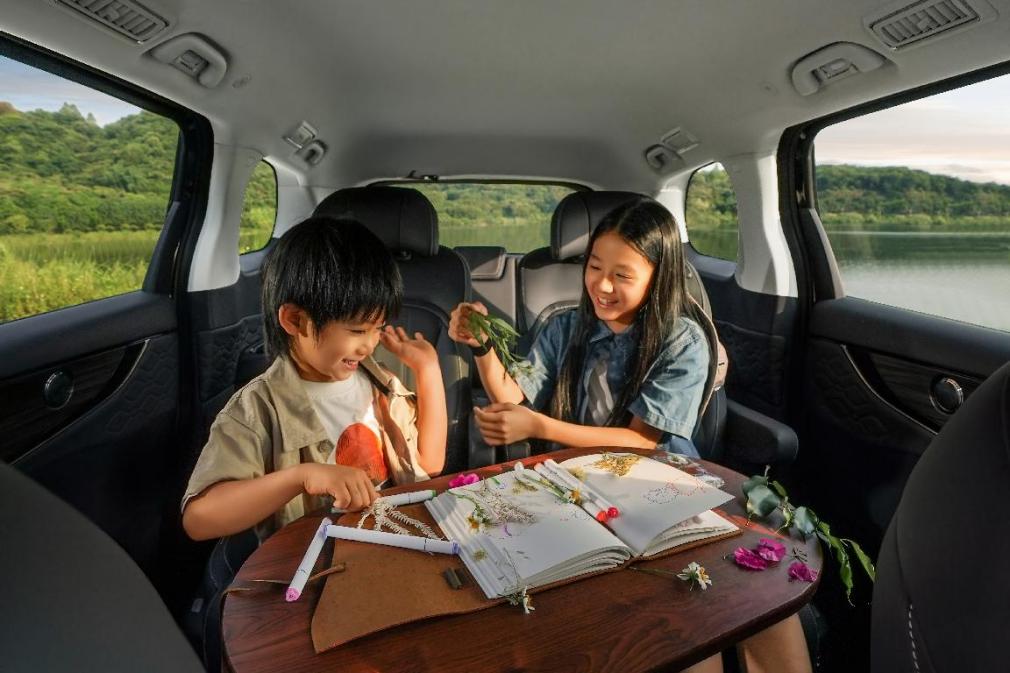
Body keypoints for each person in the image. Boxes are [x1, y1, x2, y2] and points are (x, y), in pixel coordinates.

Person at [449, 197, 810, 673]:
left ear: (659, 276)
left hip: (660, 483)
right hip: (577, 488)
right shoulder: (565, 326)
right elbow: (513, 394)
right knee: (672, 616)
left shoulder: (682, 339)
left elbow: (641, 443)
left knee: (760, 606)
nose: (602, 285)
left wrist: (538, 426)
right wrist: (481, 346)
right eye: (595, 267)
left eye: (622, 275)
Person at [182, 216, 447, 543]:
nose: (370, 345)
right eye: (357, 330)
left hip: (391, 539)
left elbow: (428, 466)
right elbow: (199, 520)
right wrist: (301, 477)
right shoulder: (258, 410)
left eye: (377, 329)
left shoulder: (381, 385)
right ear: (295, 320)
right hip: (316, 559)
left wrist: (428, 370)